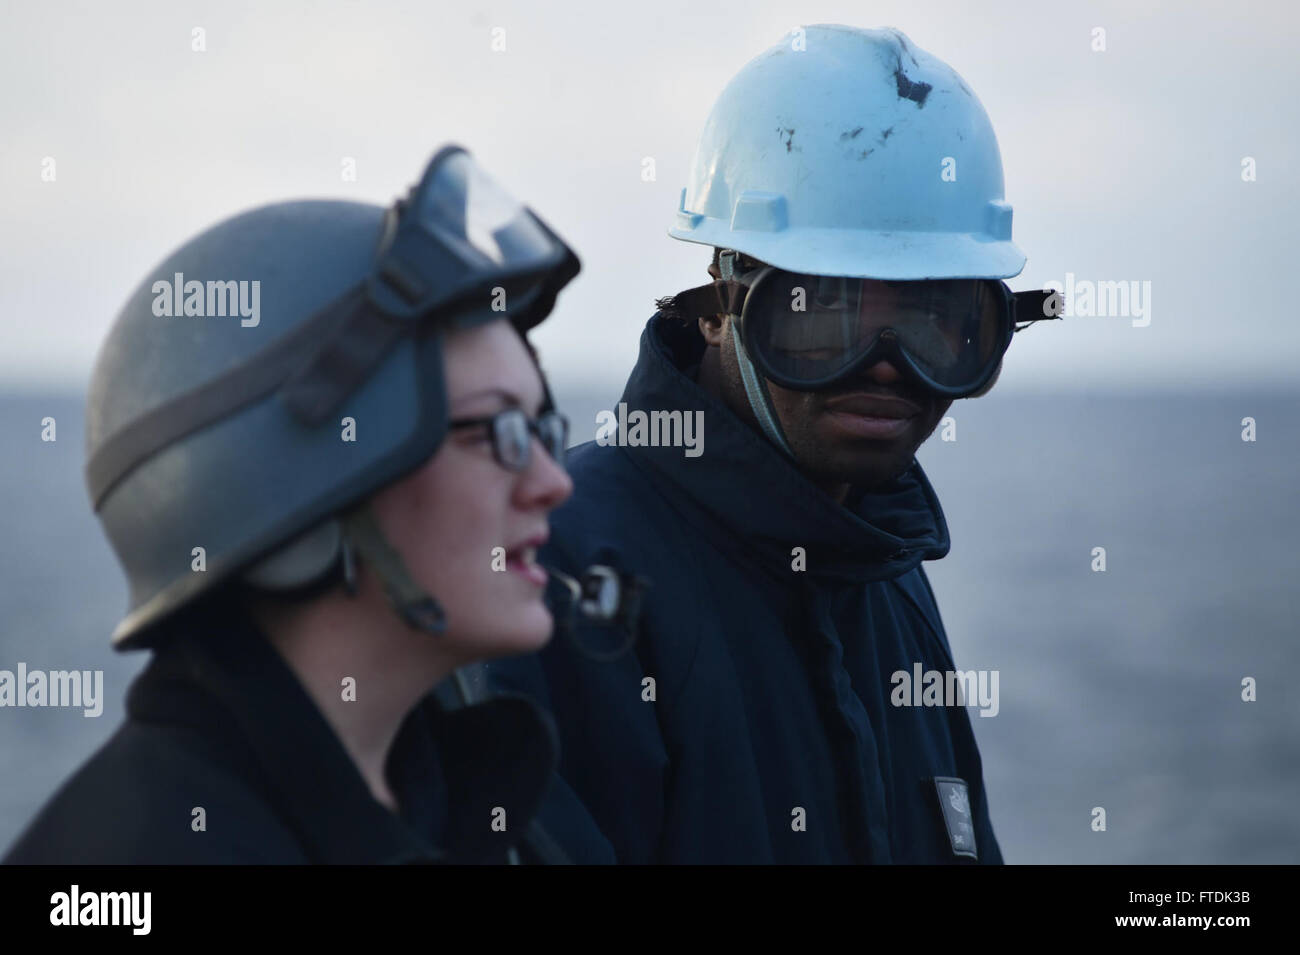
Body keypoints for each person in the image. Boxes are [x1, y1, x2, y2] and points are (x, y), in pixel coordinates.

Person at [489, 25, 1061, 863]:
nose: (889, 372)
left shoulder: (886, 568)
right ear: (721, 305)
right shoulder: (571, 576)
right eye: (822, 317)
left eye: (940, 325)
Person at [4, 145, 614, 864]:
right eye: (502, 431)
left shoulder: (479, 816)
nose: (554, 481)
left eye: (545, 428)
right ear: (306, 484)